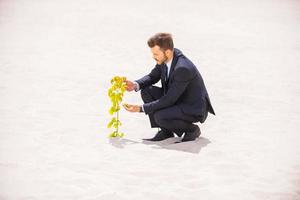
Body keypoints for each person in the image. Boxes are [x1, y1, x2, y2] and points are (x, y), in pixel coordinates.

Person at [123, 33, 215, 142]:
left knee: (160, 116)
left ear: (167, 52)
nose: (153, 57)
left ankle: (192, 130)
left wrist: (141, 108)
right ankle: (166, 132)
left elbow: (169, 100)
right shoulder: (167, 57)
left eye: (156, 54)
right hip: (177, 98)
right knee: (147, 91)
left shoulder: (183, 69)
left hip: (192, 107)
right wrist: (135, 84)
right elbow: (153, 76)